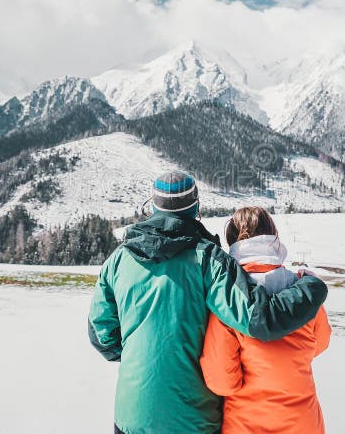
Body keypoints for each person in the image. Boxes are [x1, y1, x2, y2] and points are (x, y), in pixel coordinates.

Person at [88, 171, 328, 434]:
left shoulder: (118, 260)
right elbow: (260, 319)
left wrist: (145, 353)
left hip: (132, 415)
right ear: (196, 208)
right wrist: (311, 286)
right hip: (194, 420)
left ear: (152, 207)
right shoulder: (209, 260)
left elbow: (103, 338)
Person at [200, 206, 331, 434]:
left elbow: (221, 381)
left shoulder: (231, 302)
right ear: (274, 237)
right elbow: (320, 343)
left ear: (233, 244)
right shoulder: (304, 292)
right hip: (303, 423)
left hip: (246, 424)